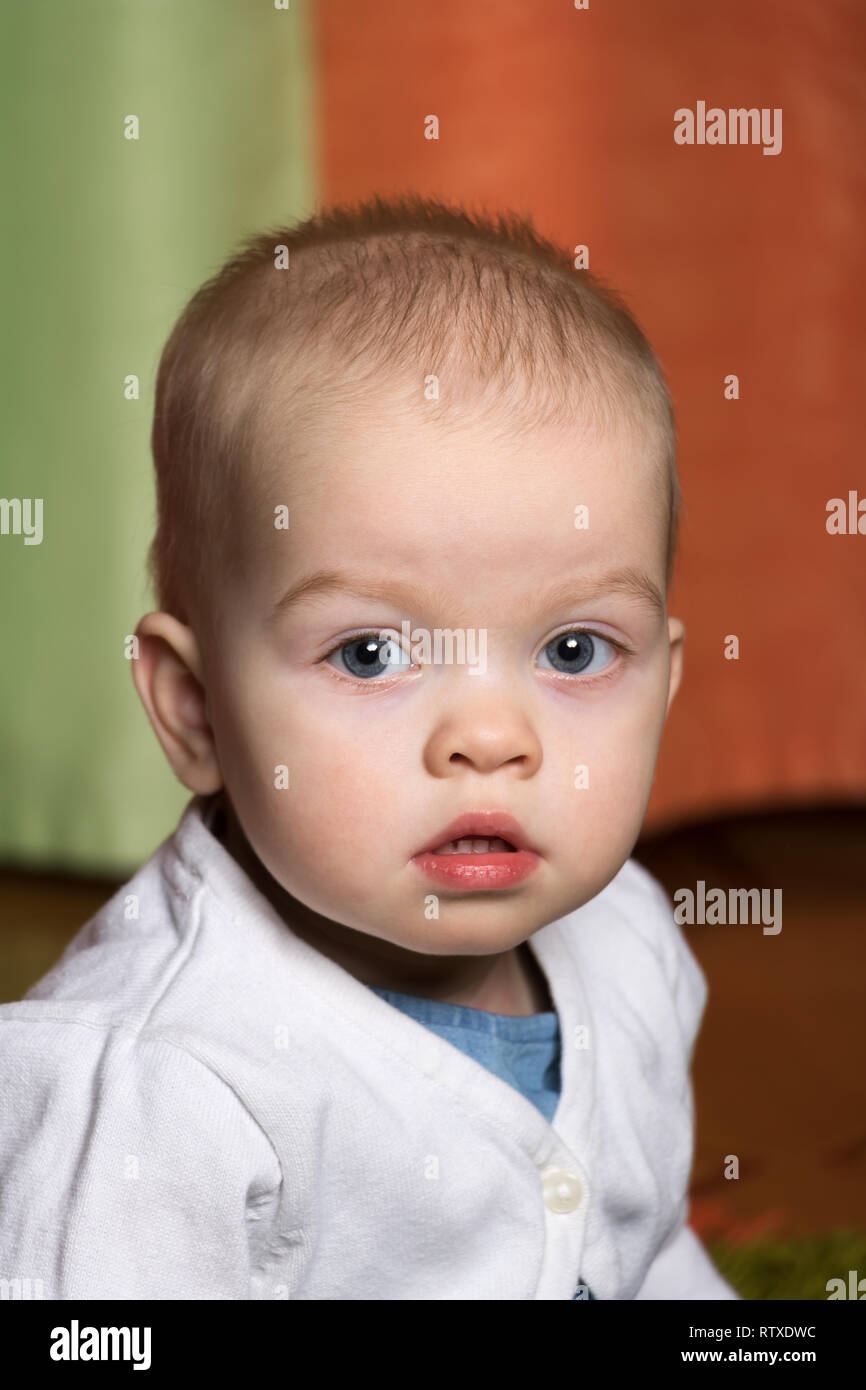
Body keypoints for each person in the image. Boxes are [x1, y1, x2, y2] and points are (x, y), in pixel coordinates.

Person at [0, 193, 739, 1299]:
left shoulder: (626, 938)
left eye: (576, 649)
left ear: (664, 686)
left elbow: (636, 1250)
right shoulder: (160, 1086)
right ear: (196, 709)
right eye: (366, 655)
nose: (490, 737)